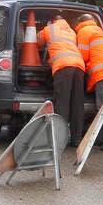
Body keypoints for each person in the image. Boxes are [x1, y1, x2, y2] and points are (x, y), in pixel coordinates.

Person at [37, 14, 86, 146]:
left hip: (63, 66)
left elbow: (36, 42)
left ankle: (59, 139)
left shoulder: (50, 29)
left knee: (62, 103)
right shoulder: (71, 31)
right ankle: (76, 140)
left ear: (52, 21)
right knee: (77, 104)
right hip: (79, 66)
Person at [75, 13, 103, 150]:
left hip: (100, 73)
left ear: (80, 22)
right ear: (92, 21)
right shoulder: (98, 30)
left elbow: (81, 56)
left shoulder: (83, 31)